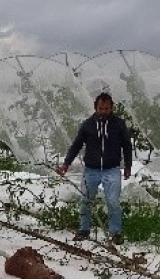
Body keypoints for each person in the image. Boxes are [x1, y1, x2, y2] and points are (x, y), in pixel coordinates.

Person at [56, 92, 132, 245]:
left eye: (106, 109)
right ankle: (84, 229)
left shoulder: (119, 124)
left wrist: (128, 166)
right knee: (85, 199)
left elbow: (127, 146)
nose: (103, 112)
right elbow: (76, 145)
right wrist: (66, 164)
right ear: (95, 107)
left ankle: (115, 232)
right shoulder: (88, 125)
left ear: (112, 108)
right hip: (91, 169)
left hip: (112, 169)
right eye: (100, 108)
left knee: (112, 201)